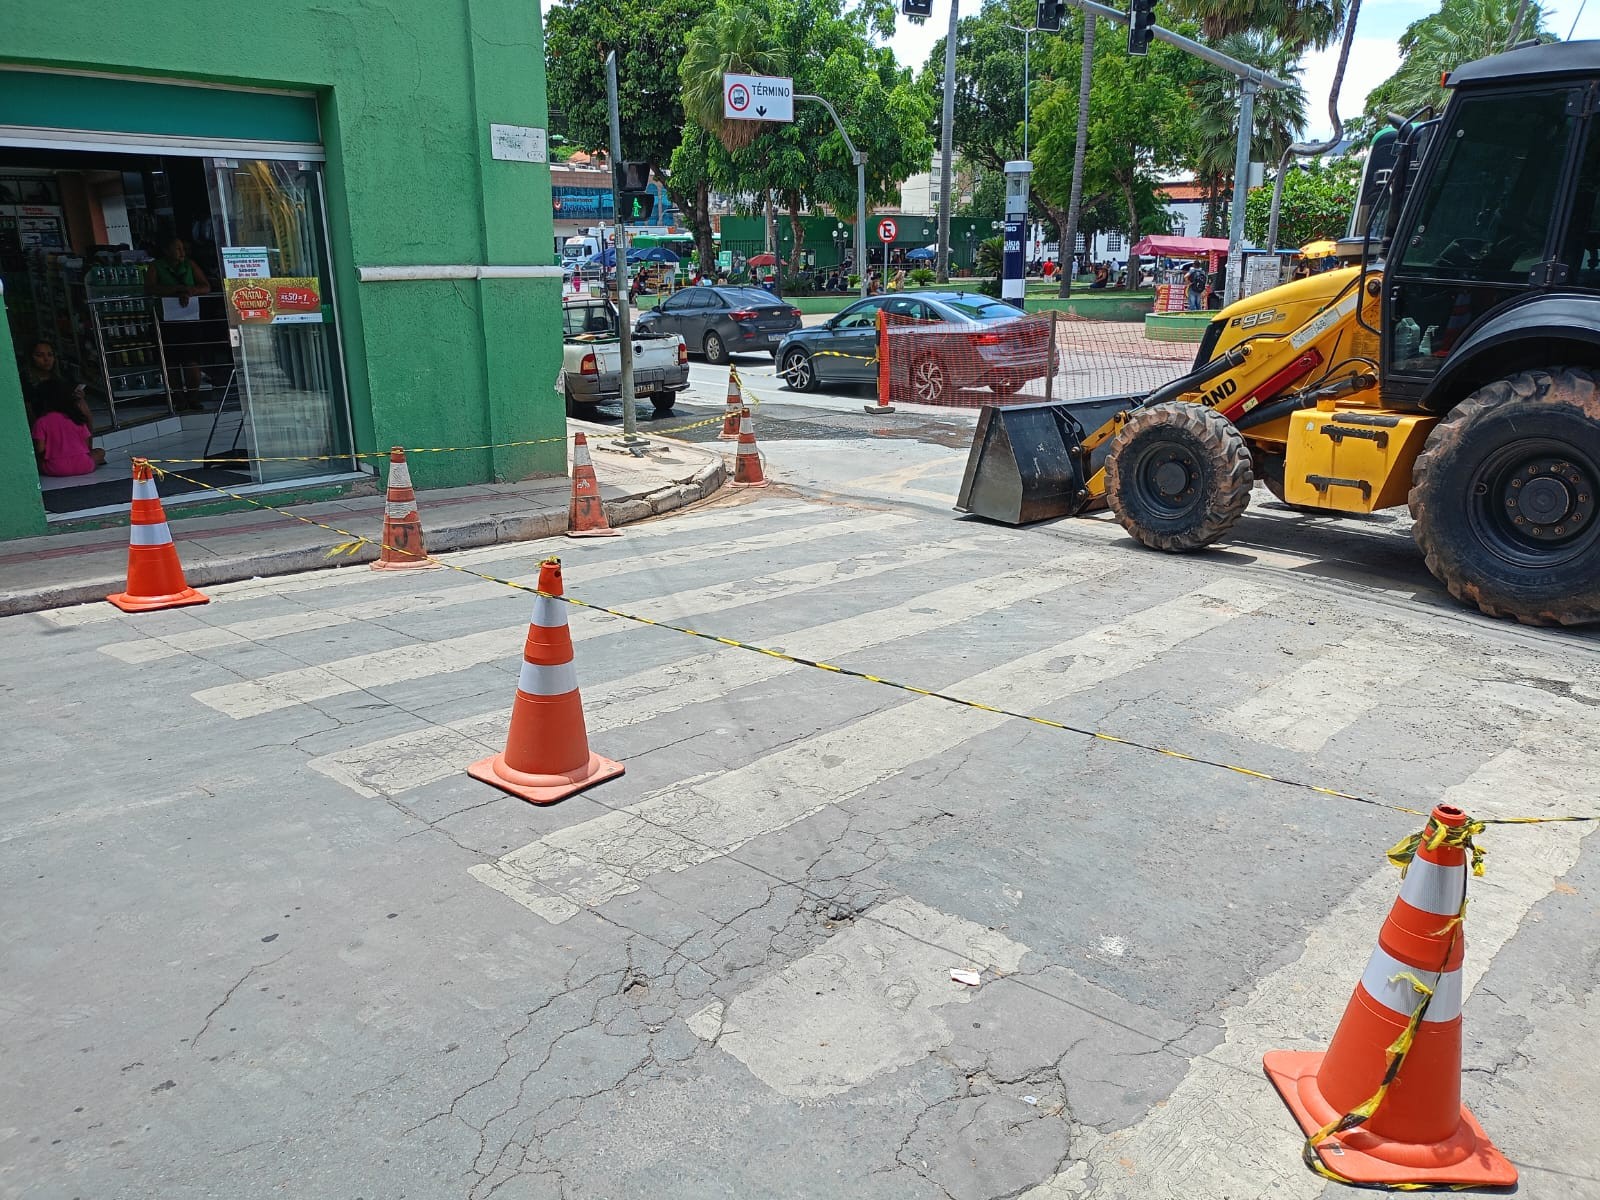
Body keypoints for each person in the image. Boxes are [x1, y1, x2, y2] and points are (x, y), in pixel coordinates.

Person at [145, 237, 213, 410]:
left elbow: (205, 286)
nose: (182, 252)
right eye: (177, 249)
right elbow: (150, 288)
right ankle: (179, 398)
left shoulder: (190, 265)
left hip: (190, 319)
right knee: (172, 362)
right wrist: (176, 290)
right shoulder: (156, 267)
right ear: (167, 251)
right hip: (167, 321)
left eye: (183, 248)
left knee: (192, 360)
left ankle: (193, 398)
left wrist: (191, 291)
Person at [31, 379, 105, 477]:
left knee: (36, 461)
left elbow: (40, 449)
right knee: (101, 452)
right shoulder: (76, 417)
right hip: (84, 465)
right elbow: (87, 445)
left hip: (55, 468)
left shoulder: (41, 422)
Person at [20, 338, 92, 427]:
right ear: (31, 358)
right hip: (44, 425)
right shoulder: (26, 380)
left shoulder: (62, 375)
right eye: (39, 355)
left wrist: (79, 395)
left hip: (66, 421)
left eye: (50, 355)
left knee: (82, 404)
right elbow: (29, 410)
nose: (46, 359)